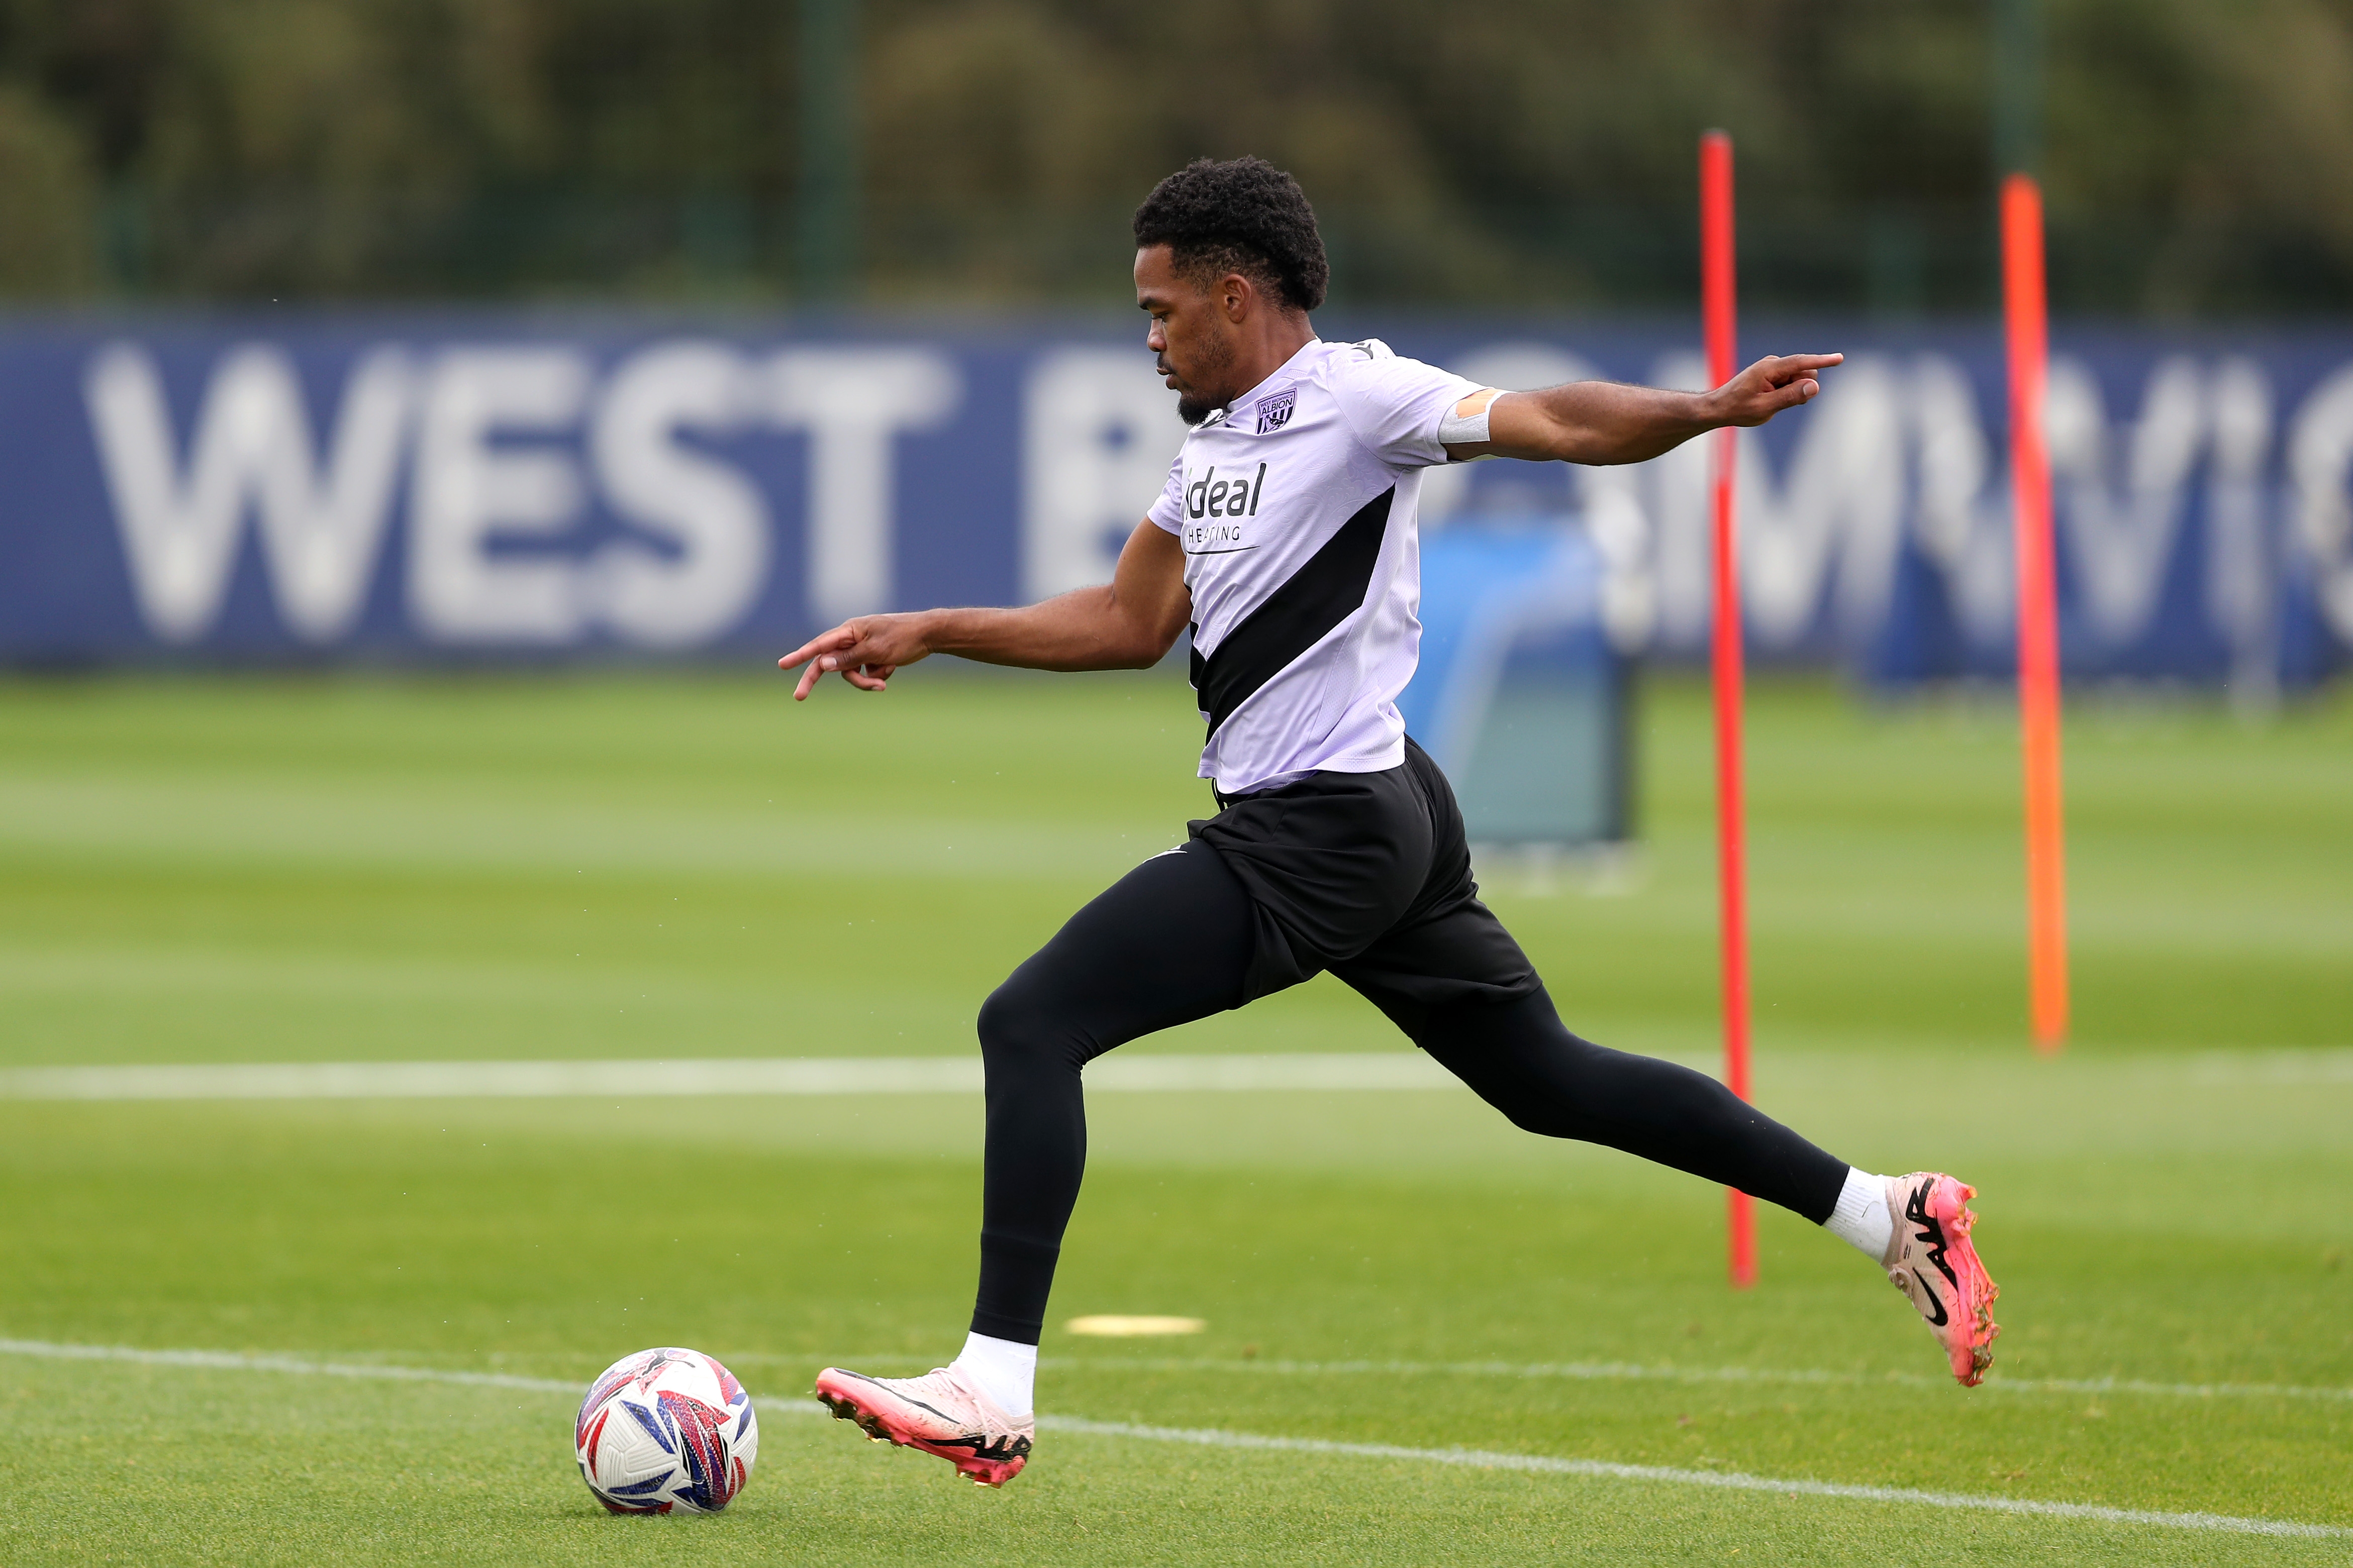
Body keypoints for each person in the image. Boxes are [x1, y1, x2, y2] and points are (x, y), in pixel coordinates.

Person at [782, 157, 1998, 1489]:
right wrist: (935, 629)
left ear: (1234, 295)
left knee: (1030, 1019)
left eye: (1159, 310)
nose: (1148, 338)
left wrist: (1698, 412)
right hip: (1382, 809)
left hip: (1322, 829)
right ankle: (1884, 1211)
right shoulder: (1211, 451)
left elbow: (1556, 422)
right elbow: (1129, 624)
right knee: (1548, 1080)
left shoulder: (1360, 397)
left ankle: (989, 1384)